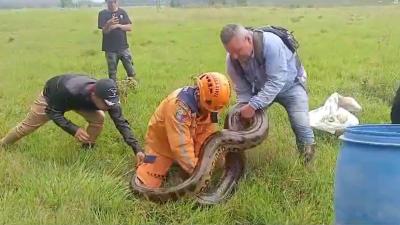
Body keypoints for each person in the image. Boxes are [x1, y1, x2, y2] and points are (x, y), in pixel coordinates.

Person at [220, 24, 315, 164]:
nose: (234, 56)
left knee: (300, 124)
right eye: (230, 52)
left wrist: (253, 105)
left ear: (248, 39)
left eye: (238, 50)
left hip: (291, 86)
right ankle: (236, 162)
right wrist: (246, 106)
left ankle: (308, 162)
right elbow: (242, 90)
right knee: (238, 118)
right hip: (260, 89)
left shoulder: (271, 44)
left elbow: (276, 81)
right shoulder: (232, 60)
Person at [0, 74, 144, 162]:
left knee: (99, 118)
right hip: (53, 97)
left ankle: (88, 145)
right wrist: (73, 129)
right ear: (94, 95)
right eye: (106, 104)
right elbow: (53, 112)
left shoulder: (109, 99)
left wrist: (137, 148)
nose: (109, 107)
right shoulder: (69, 90)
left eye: (111, 103)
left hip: (81, 102)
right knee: (26, 127)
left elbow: (121, 123)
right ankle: (3, 144)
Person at [135, 72, 231, 188]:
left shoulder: (212, 106)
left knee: (216, 160)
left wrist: (207, 159)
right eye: (208, 109)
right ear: (199, 93)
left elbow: (209, 133)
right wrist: (199, 175)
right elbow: (181, 147)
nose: (211, 113)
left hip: (193, 136)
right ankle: (147, 158)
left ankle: (184, 166)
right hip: (162, 145)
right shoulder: (178, 108)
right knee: (148, 181)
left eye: (214, 110)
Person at [98, 0, 136, 81]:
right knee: (112, 73)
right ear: (106, 2)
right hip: (110, 49)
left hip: (123, 47)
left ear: (116, 2)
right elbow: (104, 31)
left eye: (113, 2)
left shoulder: (122, 12)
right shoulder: (102, 14)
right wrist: (108, 24)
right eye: (109, 2)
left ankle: (132, 85)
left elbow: (129, 27)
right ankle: (113, 89)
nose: (111, 4)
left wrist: (118, 26)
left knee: (131, 70)